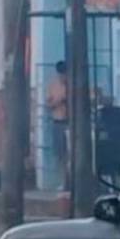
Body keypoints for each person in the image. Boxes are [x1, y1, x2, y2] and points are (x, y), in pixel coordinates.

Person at [46, 61, 69, 190]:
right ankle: (62, 182)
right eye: (61, 74)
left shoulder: (72, 84)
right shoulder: (52, 85)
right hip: (58, 122)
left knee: (70, 153)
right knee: (60, 154)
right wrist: (60, 100)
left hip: (70, 122)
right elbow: (49, 104)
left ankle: (71, 181)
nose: (63, 77)